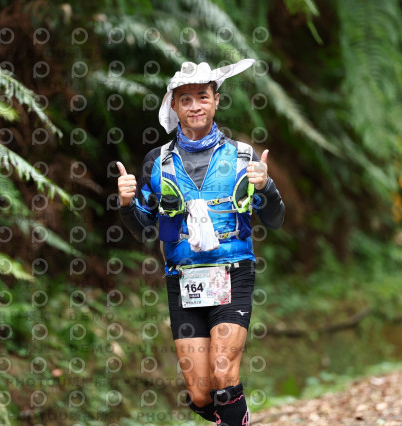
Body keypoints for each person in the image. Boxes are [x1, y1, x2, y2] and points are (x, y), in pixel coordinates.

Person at [117, 59, 285, 425]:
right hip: (183, 279)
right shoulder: (157, 162)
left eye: (203, 97)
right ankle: (232, 416)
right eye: (186, 99)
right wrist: (127, 204)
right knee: (201, 393)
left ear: (216, 101)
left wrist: (266, 186)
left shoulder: (243, 157)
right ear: (174, 106)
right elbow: (143, 229)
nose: (195, 106)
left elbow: (275, 219)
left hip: (233, 272)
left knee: (223, 374)